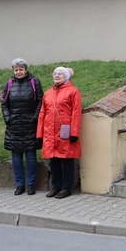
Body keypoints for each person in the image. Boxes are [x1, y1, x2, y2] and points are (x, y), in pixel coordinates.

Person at [36, 67, 82, 199]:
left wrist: (74, 132)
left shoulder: (73, 92)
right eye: (55, 73)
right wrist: (39, 135)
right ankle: (55, 187)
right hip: (50, 133)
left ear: (66, 76)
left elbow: (76, 113)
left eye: (60, 74)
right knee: (54, 161)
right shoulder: (48, 93)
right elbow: (42, 114)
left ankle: (66, 188)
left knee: (66, 161)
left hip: (65, 133)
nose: (56, 75)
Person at [1, 58, 43, 195]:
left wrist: (34, 117)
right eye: (16, 70)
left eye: (21, 69)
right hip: (14, 125)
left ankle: (31, 184)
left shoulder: (34, 82)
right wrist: (7, 118)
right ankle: (20, 185)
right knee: (16, 156)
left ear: (25, 70)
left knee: (30, 155)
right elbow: (4, 103)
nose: (18, 72)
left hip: (30, 124)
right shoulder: (9, 83)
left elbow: (40, 101)